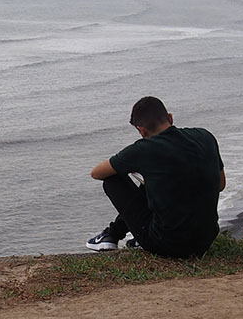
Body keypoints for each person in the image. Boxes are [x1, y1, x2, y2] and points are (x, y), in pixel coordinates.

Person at [86, 96, 225, 258]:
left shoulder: (144, 149)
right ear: (170, 118)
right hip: (205, 241)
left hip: (167, 245)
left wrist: (134, 168)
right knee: (157, 180)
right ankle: (114, 234)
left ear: (142, 131)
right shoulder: (205, 137)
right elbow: (220, 184)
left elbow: (97, 173)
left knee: (112, 180)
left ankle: (112, 236)